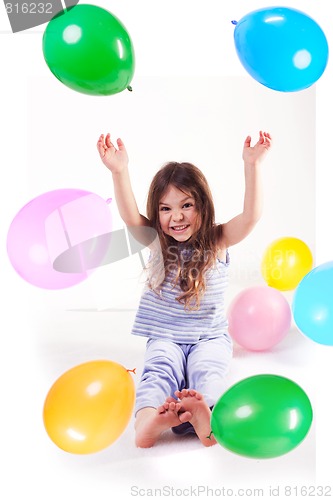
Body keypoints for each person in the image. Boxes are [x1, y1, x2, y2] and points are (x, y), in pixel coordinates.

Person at [97, 131, 272, 448]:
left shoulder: (217, 241)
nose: (176, 216)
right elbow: (128, 215)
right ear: (157, 212)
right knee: (158, 370)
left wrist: (252, 164)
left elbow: (251, 216)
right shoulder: (156, 243)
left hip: (210, 336)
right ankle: (148, 421)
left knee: (209, 370)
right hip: (165, 334)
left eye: (186, 205)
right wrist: (119, 171)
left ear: (202, 205)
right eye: (165, 209)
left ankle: (207, 416)